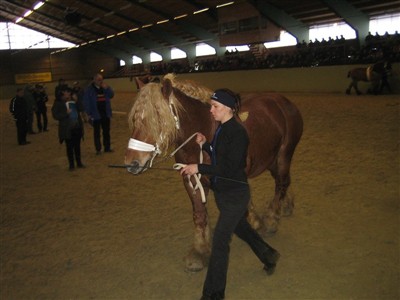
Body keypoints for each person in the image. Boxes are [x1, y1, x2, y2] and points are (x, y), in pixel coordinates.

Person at [180, 89, 280, 300]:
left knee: (219, 244)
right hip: (224, 195)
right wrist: (205, 143)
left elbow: (228, 167)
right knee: (242, 229)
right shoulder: (222, 129)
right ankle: (269, 255)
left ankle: (213, 295)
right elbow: (218, 154)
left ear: (228, 108)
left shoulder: (237, 132)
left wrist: (198, 168)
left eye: (215, 106)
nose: (211, 110)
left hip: (236, 196)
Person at [52, 86, 85, 171]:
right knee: (69, 147)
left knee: (77, 146)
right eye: (66, 93)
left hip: (77, 127)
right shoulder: (58, 103)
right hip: (67, 129)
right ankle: (71, 164)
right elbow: (55, 115)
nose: (69, 95)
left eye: (69, 93)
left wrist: (77, 101)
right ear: (62, 94)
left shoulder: (74, 101)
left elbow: (81, 108)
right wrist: (65, 114)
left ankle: (79, 162)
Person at [83, 73, 114, 155]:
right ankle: (98, 149)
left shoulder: (105, 88)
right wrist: (89, 113)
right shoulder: (89, 90)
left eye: (101, 79)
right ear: (94, 80)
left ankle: (107, 147)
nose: (100, 81)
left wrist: (107, 88)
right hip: (95, 114)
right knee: (97, 133)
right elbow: (86, 102)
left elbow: (111, 95)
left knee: (106, 132)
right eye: (98, 80)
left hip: (105, 113)